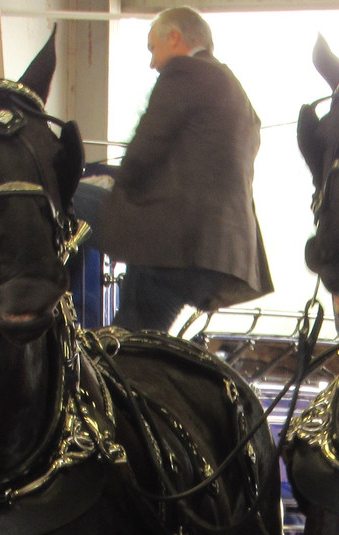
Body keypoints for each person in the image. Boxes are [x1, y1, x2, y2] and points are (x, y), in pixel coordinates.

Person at [93, 6, 273, 331]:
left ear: (174, 37)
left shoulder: (185, 72)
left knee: (62, 198)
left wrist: (113, 183)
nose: (152, 62)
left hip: (171, 245)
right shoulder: (234, 90)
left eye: (153, 48)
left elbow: (143, 151)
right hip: (215, 253)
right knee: (141, 341)